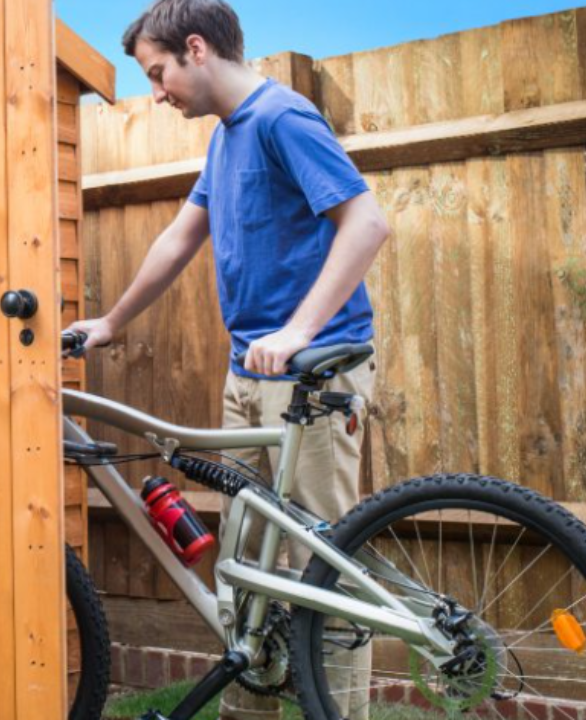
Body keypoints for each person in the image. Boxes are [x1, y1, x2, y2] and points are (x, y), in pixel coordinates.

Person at [64, 1, 390, 718]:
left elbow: (366, 223)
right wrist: (112, 323)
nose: (155, 92)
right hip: (249, 375)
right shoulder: (226, 139)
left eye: (158, 74)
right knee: (245, 565)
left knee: (320, 566)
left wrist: (300, 332)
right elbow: (180, 238)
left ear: (198, 49)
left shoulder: (282, 118)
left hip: (313, 374)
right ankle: (249, 710)